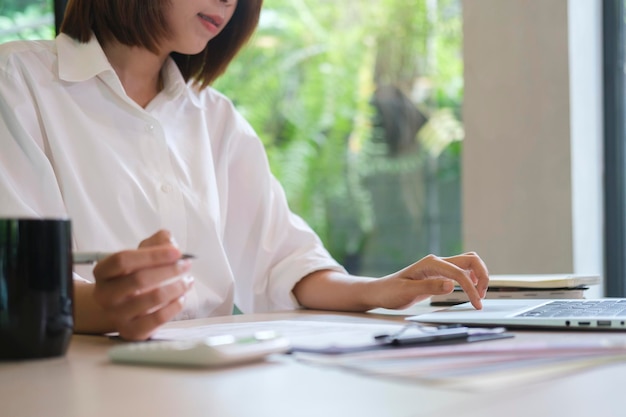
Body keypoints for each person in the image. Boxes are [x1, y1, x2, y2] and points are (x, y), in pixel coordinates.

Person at [0, 0, 489, 341]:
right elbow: (21, 280)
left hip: (208, 380)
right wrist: (107, 305)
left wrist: (379, 290)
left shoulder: (216, 118)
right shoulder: (16, 84)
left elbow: (283, 262)